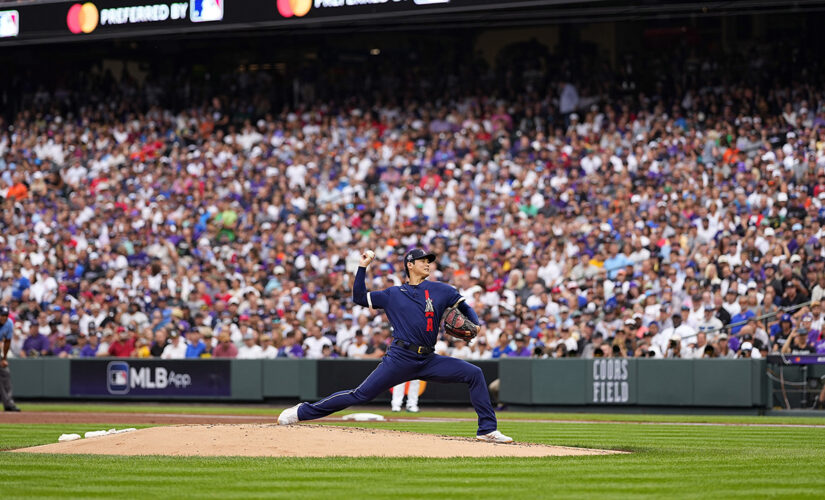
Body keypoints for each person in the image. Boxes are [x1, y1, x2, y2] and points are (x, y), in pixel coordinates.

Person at [278, 248, 512, 443]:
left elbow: (464, 306)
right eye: (423, 261)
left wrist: (477, 324)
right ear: (410, 264)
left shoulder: (441, 290)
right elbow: (359, 297)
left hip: (429, 359)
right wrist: (362, 268)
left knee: (474, 373)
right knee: (359, 395)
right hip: (400, 358)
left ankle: (487, 430)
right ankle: (302, 412)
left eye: (429, 261)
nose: (428, 264)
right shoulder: (393, 294)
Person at [0, 306, 20, 411]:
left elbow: (7, 342)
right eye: (2, 315)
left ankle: (8, 403)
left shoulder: (9, 324)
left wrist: (4, 358)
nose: (3, 318)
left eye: (5, 315)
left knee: (5, 373)